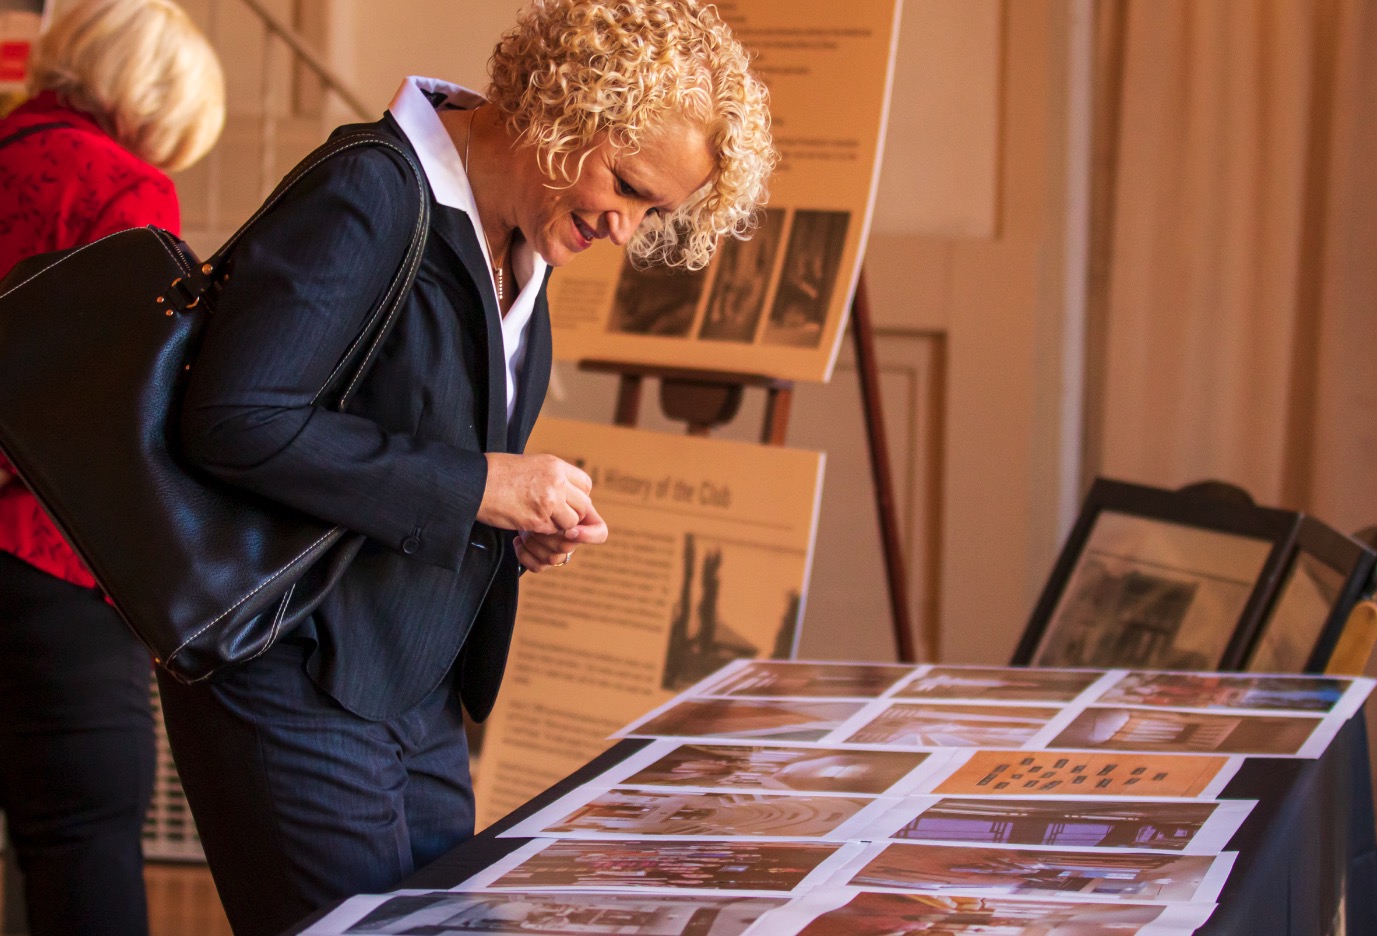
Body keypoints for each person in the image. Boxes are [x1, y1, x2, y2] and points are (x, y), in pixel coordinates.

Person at [155, 1, 776, 933]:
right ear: (562, 108)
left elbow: (399, 440)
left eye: (655, 211)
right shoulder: (370, 193)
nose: (626, 228)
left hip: (411, 677)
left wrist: (507, 522)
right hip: (296, 667)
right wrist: (480, 485)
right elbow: (235, 421)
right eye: (628, 186)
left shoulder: (519, 235)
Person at [0, 2, 225, 935]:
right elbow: (126, 405)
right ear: (155, 98)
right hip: (48, 552)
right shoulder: (125, 190)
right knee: (81, 838)